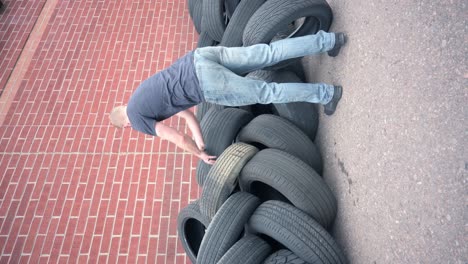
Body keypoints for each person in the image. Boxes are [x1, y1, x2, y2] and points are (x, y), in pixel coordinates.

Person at [110, 30, 346, 165]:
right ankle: (330, 40)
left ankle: (327, 93)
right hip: (200, 57)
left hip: (204, 83)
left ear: (127, 124)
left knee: (266, 92)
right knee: (267, 53)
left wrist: (198, 154)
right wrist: (199, 139)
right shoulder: (138, 97)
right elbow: (185, 115)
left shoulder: (138, 121)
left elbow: (176, 138)